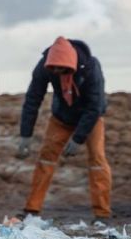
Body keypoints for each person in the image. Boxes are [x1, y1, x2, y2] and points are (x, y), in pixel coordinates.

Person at [16, 36, 112, 220]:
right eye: (54, 69)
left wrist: (78, 139)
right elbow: (32, 99)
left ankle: (102, 214)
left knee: (98, 160)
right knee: (46, 158)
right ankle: (32, 210)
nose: (58, 72)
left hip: (91, 118)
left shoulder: (91, 68)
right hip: (61, 117)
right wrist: (25, 135)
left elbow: (95, 106)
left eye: (62, 69)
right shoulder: (45, 66)